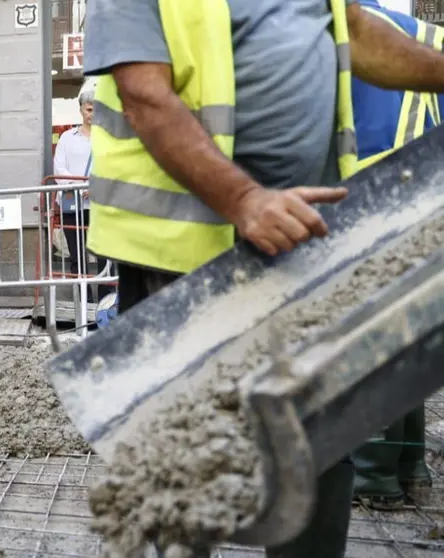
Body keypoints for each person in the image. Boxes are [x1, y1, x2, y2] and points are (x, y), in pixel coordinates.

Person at [83, 0, 444, 556]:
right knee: (179, 467)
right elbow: (144, 96)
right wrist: (244, 199)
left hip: (306, 242)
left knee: (320, 443)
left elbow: (350, 28)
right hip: (183, 254)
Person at [349, 0, 439, 511]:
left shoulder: (337, 25)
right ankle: (410, 467)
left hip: (372, 200)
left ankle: (373, 476)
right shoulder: (418, 32)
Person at [53, 87, 114, 304]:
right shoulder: (67, 138)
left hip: (100, 205)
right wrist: (81, 187)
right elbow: (59, 169)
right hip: (73, 205)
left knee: (106, 256)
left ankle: (106, 302)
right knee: (77, 257)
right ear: (81, 110)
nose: (93, 114)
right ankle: (84, 302)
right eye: (89, 109)